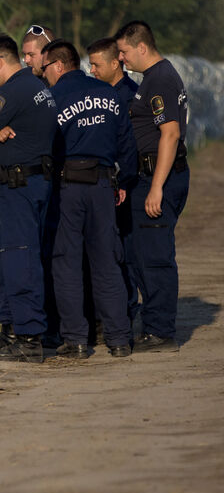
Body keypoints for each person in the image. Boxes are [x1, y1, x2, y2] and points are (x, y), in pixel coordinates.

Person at [40, 39, 137, 358]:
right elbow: (126, 144)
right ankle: (120, 339)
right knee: (106, 261)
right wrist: (122, 181)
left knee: (66, 262)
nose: (44, 76)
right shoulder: (109, 93)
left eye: (45, 69)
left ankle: (77, 340)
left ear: (57, 65)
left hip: (68, 187)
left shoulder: (53, 98)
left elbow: (45, 147)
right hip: (103, 185)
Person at [0, 33, 57, 362]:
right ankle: (10, 330)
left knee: (20, 259)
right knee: (16, 257)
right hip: (36, 181)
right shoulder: (38, 88)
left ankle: (28, 336)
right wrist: (1, 133)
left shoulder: (9, 93)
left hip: (19, 186)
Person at [114, 20, 190, 352]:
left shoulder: (160, 79)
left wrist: (157, 186)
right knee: (140, 253)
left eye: (124, 51)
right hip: (147, 177)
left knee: (155, 256)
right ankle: (152, 324)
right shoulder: (152, 78)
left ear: (141, 47)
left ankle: (161, 331)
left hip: (159, 177)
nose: (121, 58)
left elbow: (170, 134)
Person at [87, 36, 141, 325]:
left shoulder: (131, 96)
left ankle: (127, 314)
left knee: (124, 254)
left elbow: (132, 146)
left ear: (114, 63)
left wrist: (123, 182)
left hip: (124, 185)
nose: (92, 70)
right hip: (100, 185)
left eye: (96, 65)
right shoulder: (94, 94)